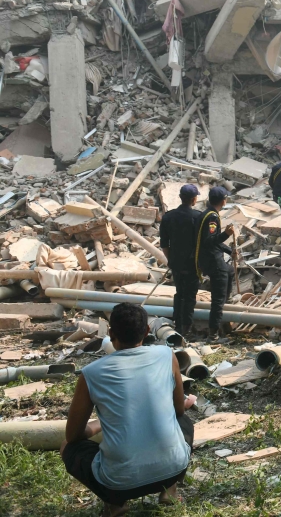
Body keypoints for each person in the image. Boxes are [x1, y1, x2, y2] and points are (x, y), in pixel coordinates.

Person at [62, 303, 195, 517]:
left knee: (68, 447)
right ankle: (169, 491)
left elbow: (73, 435)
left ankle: (116, 504)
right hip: (173, 470)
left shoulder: (91, 374)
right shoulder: (166, 355)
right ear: (147, 331)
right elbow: (179, 410)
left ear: (111, 333)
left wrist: (97, 426)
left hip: (118, 484)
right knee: (185, 422)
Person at [160, 184, 201, 336]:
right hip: (192, 263)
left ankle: (177, 323)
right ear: (193, 199)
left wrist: (170, 260)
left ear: (180, 197)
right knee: (190, 296)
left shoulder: (168, 217)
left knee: (179, 293)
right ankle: (186, 328)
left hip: (176, 262)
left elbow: (164, 244)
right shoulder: (197, 217)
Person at [195, 186, 235, 342]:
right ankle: (213, 335)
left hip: (209, 258)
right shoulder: (212, 218)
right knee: (217, 300)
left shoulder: (206, 214)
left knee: (230, 271)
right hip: (212, 260)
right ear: (223, 201)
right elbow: (210, 241)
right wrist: (227, 234)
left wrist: (229, 250)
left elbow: (213, 240)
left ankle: (227, 300)